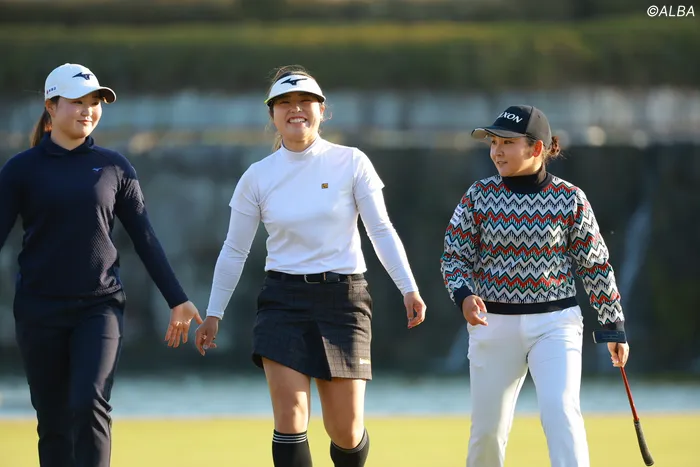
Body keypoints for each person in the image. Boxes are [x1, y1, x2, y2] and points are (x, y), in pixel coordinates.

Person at [195, 64, 427, 467]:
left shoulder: (351, 162)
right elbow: (234, 249)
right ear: (272, 114)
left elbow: (380, 230)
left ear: (322, 110)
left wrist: (409, 287)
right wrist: (214, 312)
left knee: (345, 430)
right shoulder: (257, 176)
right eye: (284, 102)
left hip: (344, 298)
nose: (295, 109)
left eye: (305, 101)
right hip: (282, 299)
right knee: (290, 418)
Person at [0, 63, 202, 467]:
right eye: (77, 102)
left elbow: (145, 238)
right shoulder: (21, 169)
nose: (88, 110)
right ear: (51, 106)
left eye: (94, 102)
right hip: (39, 310)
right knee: (53, 421)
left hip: (99, 307)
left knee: (89, 401)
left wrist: (177, 299)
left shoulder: (115, 167)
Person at [440, 105, 630, 467]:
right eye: (493, 143)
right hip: (493, 323)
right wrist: (463, 295)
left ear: (537, 148)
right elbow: (454, 257)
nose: (496, 151)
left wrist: (613, 325)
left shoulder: (570, 198)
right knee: (487, 433)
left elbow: (594, 265)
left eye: (507, 143)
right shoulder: (478, 195)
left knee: (562, 413)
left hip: (556, 324)